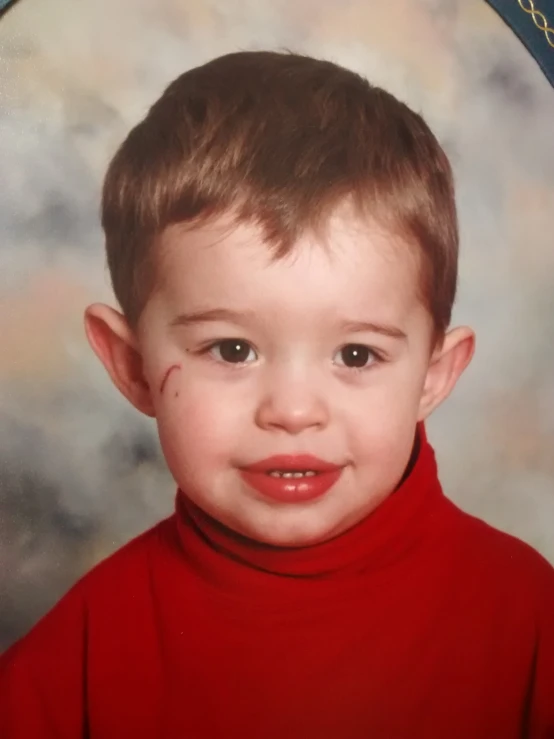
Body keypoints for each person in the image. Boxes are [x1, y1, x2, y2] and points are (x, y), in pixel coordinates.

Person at [1, 50, 553, 739]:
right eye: (232, 349)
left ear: (434, 376)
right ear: (134, 366)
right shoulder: (81, 647)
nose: (292, 412)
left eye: (356, 354)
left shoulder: (528, 616)